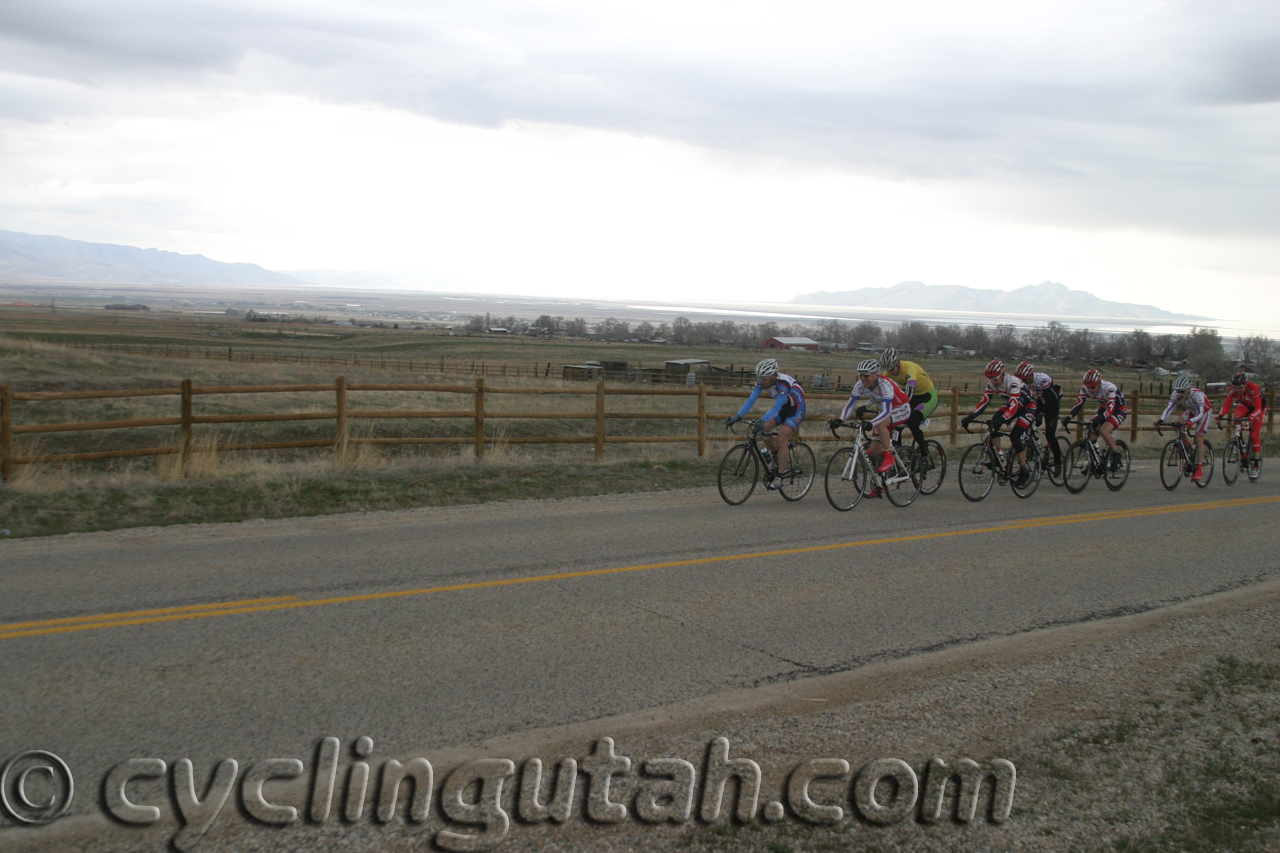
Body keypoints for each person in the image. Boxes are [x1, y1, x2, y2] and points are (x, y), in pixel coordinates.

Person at [725, 359, 806, 489]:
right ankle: (775, 456)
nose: (761, 381)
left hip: (796, 409)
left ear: (773, 376)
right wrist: (738, 416)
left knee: (781, 438)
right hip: (783, 409)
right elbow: (751, 400)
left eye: (764, 378)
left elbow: (776, 407)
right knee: (763, 431)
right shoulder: (761, 383)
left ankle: (780, 476)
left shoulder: (783, 384)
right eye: (759, 378)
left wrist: (762, 420)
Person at [961, 359, 1035, 487]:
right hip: (1012, 405)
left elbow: (1013, 405)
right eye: (990, 379)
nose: (993, 383)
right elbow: (984, 401)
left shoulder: (1013, 382)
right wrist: (971, 416)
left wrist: (1002, 419)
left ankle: (1024, 469)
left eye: (995, 379)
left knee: (1015, 436)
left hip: (1027, 407)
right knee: (992, 425)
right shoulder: (991, 383)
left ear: (1002, 375)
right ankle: (999, 457)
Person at [830, 359, 911, 474]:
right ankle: (880, 485)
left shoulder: (884, 385)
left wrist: (871, 423)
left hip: (902, 408)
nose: (863, 379)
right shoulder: (860, 385)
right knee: (875, 448)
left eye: (866, 376)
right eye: (861, 376)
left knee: (880, 423)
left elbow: (887, 411)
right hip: (887, 411)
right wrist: (840, 419)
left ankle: (889, 456)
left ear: (875, 375)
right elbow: (850, 405)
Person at [1063, 368, 1129, 474]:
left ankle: (1116, 454)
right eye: (1088, 387)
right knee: (1090, 428)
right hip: (1104, 407)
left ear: (1099, 383)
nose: (1091, 390)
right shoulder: (1085, 388)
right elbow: (1079, 404)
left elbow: (1111, 409)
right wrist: (1069, 416)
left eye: (1093, 387)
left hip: (1118, 410)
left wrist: (1098, 420)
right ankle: (1094, 461)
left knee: (1104, 430)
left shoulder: (1109, 388)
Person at [881, 347, 937, 466]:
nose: (890, 372)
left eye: (892, 368)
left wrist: (902, 407)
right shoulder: (888, 373)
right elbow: (880, 390)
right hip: (913, 398)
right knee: (896, 423)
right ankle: (898, 454)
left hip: (927, 397)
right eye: (888, 369)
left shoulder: (910, 368)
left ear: (898, 363)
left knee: (912, 421)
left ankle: (925, 452)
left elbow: (910, 391)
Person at [1155, 374, 1212, 482]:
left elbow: (1200, 413)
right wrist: (1161, 420)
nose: (1179, 394)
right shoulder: (1176, 394)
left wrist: (1191, 422)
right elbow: (1169, 408)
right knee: (1177, 423)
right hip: (1191, 411)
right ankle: (1186, 445)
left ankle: (1199, 468)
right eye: (1178, 391)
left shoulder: (1197, 395)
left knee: (1199, 437)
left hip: (1204, 412)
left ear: (1188, 389)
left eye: (1182, 391)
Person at [1014, 360, 1064, 475]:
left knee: (1050, 435)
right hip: (1041, 401)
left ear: (1031, 375)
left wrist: (1041, 414)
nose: (1024, 382)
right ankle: (1033, 446)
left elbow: (1051, 399)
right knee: (1026, 421)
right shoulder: (1025, 382)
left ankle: (1058, 462)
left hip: (1052, 403)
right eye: (1022, 380)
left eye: (1025, 380)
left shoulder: (1043, 379)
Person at [1217, 370, 1267, 480]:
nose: (1237, 390)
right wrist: (1221, 415)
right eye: (1235, 387)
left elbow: (1258, 407)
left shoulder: (1253, 388)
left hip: (1258, 408)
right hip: (1244, 405)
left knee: (1254, 435)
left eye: (1240, 388)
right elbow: (1227, 404)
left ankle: (1256, 466)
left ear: (1245, 384)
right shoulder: (1233, 389)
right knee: (1236, 418)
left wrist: (1253, 416)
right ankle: (1239, 443)